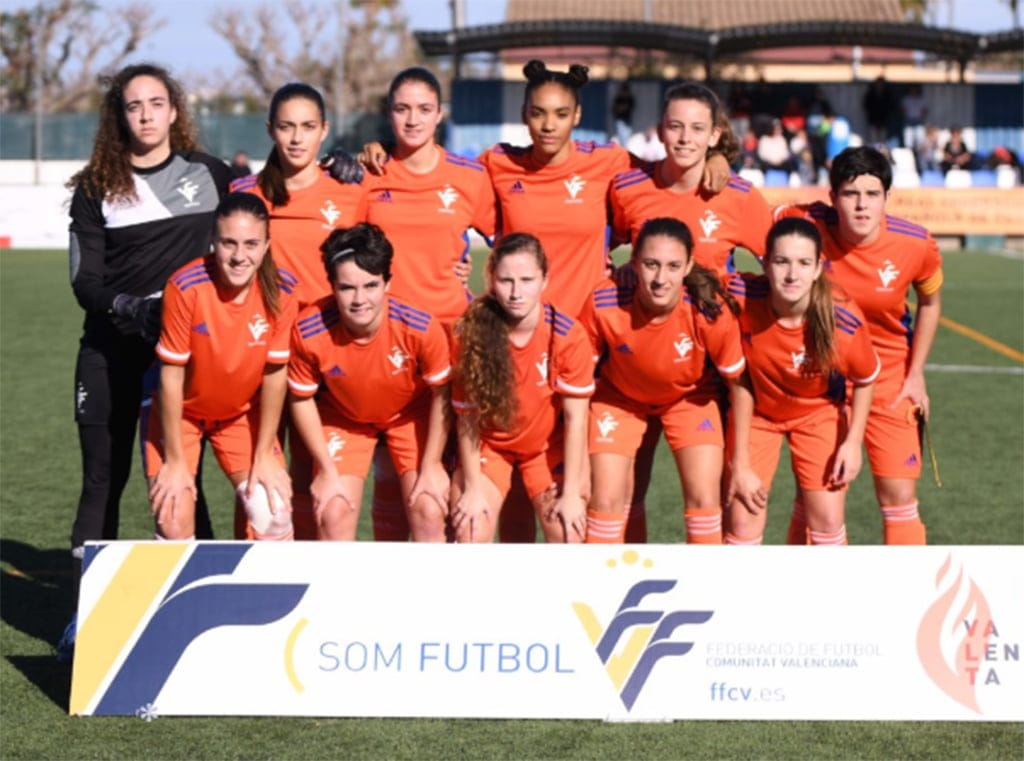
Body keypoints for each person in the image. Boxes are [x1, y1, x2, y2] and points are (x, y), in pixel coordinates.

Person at [61, 63, 233, 661]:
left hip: (183, 357)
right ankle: (84, 619)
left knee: (185, 479)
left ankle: (208, 614)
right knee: (102, 481)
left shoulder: (210, 174)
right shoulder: (95, 187)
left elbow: (272, 204)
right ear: (120, 115)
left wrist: (347, 162)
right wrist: (131, 308)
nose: (146, 115)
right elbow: (84, 282)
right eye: (134, 106)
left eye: (156, 103)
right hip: (110, 351)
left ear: (174, 110)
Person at [607, 82, 772, 542]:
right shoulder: (627, 187)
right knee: (624, 492)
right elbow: (598, 246)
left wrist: (746, 302)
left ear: (715, 134)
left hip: (709, 372)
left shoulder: (738, 195)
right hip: (634, 360)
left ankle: (711, 586)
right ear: (660, 130)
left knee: (716, 495)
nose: (684, 138)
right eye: (676, 126)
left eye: (697, 129)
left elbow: (782, 264)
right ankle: (627, 580)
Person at [348, 67, 498, 541]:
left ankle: (449, 572)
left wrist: (483, 292)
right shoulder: (369, 174)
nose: (412, 119)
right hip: (385, 341)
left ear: (440, 114)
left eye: (424, 109)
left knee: (450, 475)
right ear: (388, 113)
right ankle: (395, 575)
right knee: (392, 472)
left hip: (451, 339)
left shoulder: (469, 177)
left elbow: (511, 244)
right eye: (402, 108)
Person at [775, 146, 943, 545]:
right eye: (850, 194)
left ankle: (911, 585)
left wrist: (916, 373)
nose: (862, 205)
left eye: (872, 194)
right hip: (823, 384)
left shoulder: (916, 243)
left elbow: (931, 302)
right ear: (832, 197)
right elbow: (745, 215)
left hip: (889, 380)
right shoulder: (803, 223)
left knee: (899, 497)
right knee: (816, 499)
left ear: (887, 197)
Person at [231, 82, 368, 540]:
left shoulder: (350, 191)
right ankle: (254, 572)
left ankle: (310, 576)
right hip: (261, 353)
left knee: (316, 482)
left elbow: (377, 258)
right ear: (270, 129)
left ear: (324, 130)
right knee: (261, 483)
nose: (296, 138)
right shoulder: (245, 192)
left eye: (308, 127)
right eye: (286, 126)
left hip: (325, 354)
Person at [579, 217, 746, 544]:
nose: (660, 279)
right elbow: (581, 380)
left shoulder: (708, 309)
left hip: (689, 399)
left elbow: (739, 385)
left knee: (704, 498)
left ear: (688, 266)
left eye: (672, 266)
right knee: (606, 499)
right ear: (634, 262)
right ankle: (612, 576)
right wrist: (577, 466)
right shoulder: (604, 302)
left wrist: (741, 462)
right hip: (620, 399)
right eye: (651, 264)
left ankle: (705, 577)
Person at [145, 192, 297, 540]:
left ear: (266, 245)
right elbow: (171, 375)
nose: (240, 256)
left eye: (251, 244)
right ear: (213, 241)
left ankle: (262, 579)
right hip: (181, 415)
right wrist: (175, 461)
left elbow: (275, 374)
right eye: (229, 243)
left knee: (274, 512)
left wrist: (264, 454)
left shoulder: (283, 290)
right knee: (172, 518)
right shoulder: (185, 286)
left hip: (239, 415)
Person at [288, 223, 452, 541]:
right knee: (332, 510)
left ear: (387, 283)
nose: (359, 299)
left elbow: (441, 394)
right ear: (332, 286)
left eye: (371, 285)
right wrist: (325, 469)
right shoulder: (309, 329)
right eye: (347, 288)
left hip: (409, 415)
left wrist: (432, 464)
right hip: (344, 419)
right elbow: (301, 398)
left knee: (429, 508)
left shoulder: (419, 327)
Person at [724, 218, 880, 545]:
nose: (792, 274)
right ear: (766, 263)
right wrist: (739, 465)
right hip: (758, 416)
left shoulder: (843, 320)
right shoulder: (740, 294)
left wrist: (853, 443)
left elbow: (865, 378)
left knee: (828, 521)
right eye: (782, 261)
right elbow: (690, 278)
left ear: (818, 268)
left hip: (816, 413)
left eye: (804, 263)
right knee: (742, 520)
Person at [449, 233, 595, 543]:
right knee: (471, 527)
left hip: (545, 447)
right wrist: (472, 488)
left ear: (544, 281)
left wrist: (571, 493)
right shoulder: (472, 332)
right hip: (490, 446)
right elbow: (467, 418)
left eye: (527, 280)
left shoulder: (567, 336)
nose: (516, 293)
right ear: (492, 280)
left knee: (568, 530)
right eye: (506, 281)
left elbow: (576, 419)